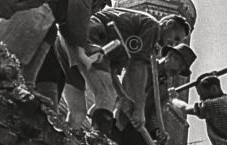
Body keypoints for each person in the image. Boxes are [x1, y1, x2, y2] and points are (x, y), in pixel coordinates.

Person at [0, 0, 147, 108]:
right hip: (30, 6)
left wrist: (85, 48)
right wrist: (81, 50)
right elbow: (78, 8)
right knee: (1, 67)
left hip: (46, 19)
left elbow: (70, 25)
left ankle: (25, 86)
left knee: (49, 35)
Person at [60, 9, 190, 132]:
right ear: (169, 24)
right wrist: (139, 108)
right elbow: (137, 66)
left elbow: (113, 70)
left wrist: (123, 96)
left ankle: (67, 138)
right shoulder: (153, 27)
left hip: (70, 41)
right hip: (89, 40)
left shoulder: (131, 40)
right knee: (107, 97)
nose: (173, 44)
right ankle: (99, 139)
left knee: (78, 114)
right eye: (176, 38)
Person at [118, 42, 196, 145]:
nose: (178, 72)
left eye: (182, 69)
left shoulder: (164, 89)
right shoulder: (145, 65)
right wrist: (131, 107)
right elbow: (126, 83)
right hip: (121, 117)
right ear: (171, 57)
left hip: (138, 127)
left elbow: (155, 113)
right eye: (180, 66)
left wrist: (157, 131)